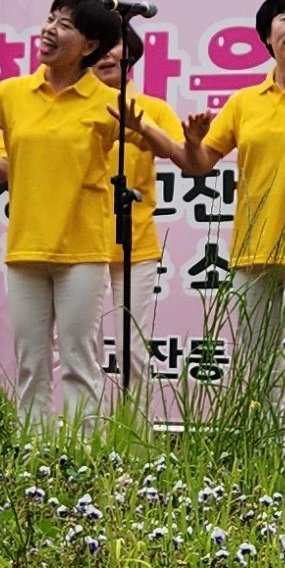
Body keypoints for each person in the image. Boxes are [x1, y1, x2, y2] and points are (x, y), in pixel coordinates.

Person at [138, 0, 285, 430]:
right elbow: (198, 164)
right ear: (267, 34)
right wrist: (193, 140)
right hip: (250, 251)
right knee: (253, 374)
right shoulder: (245, 101)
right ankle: (255, 473)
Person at [0, 0, 131, 421]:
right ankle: (32, 456)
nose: (49, 29)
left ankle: (81, 456)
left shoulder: (106, 102)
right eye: (50, 18)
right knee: (31, 364)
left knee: (80, 363)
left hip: (82, 250)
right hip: (25, 247)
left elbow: (172, 149)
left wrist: (185, 141)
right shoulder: (12, 93)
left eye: (65, 25)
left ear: (91, 47)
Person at [90, 36, 181, 394]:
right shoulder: (75, 107)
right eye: (98, 46)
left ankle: (132, 439)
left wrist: (139, 125)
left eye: (114, 46)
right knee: (83, 350)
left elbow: (176, 151)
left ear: (131, 56)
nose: (105, 54)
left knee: (133, 349)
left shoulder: (153, 109)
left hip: (136, 245)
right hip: (82, 246)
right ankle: (87, 437)